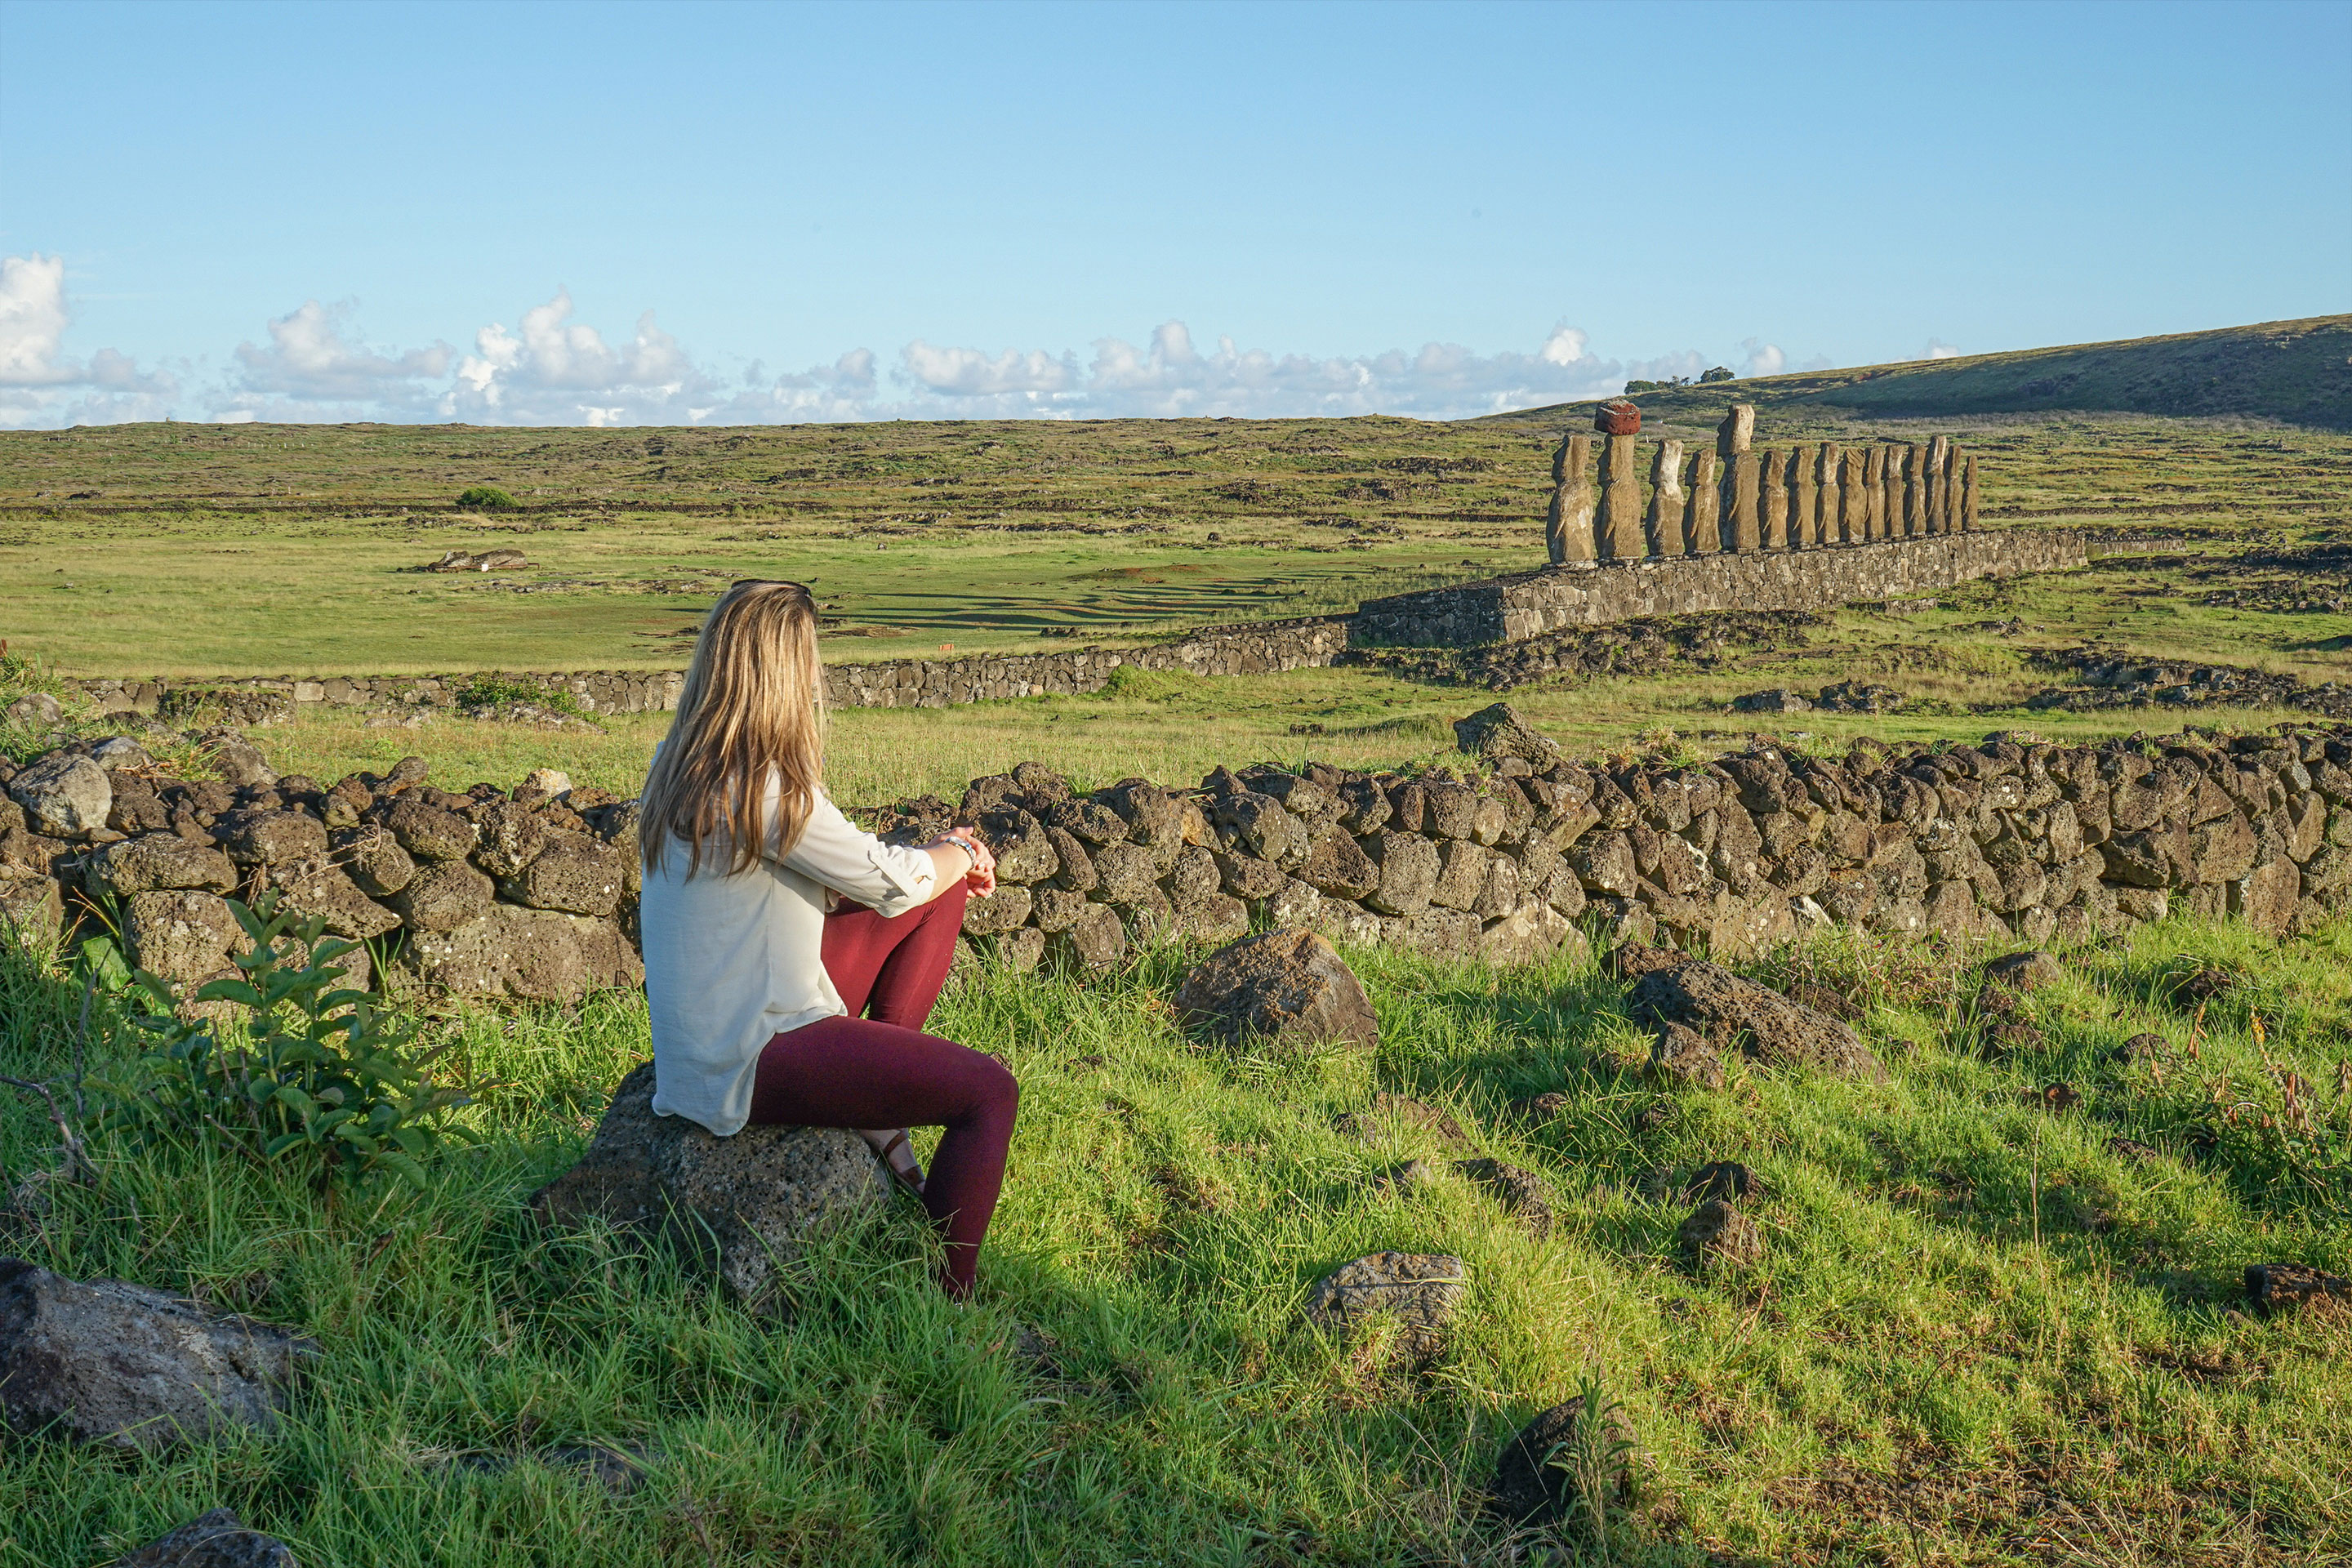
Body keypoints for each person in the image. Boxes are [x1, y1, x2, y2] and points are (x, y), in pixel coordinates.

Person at [636, 578, 1016, 1298]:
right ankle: (951, 1297)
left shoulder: (681, 761)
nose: (818, 673)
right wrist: (963, 851)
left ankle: (878, 1111)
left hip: (721, 1025)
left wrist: (941, 862)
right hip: (748, 1051)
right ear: (782, 670)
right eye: (809, 656)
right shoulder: (764, 787)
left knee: (935, 891)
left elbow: (857, 881)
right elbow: (892, 880)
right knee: (989, 1094)